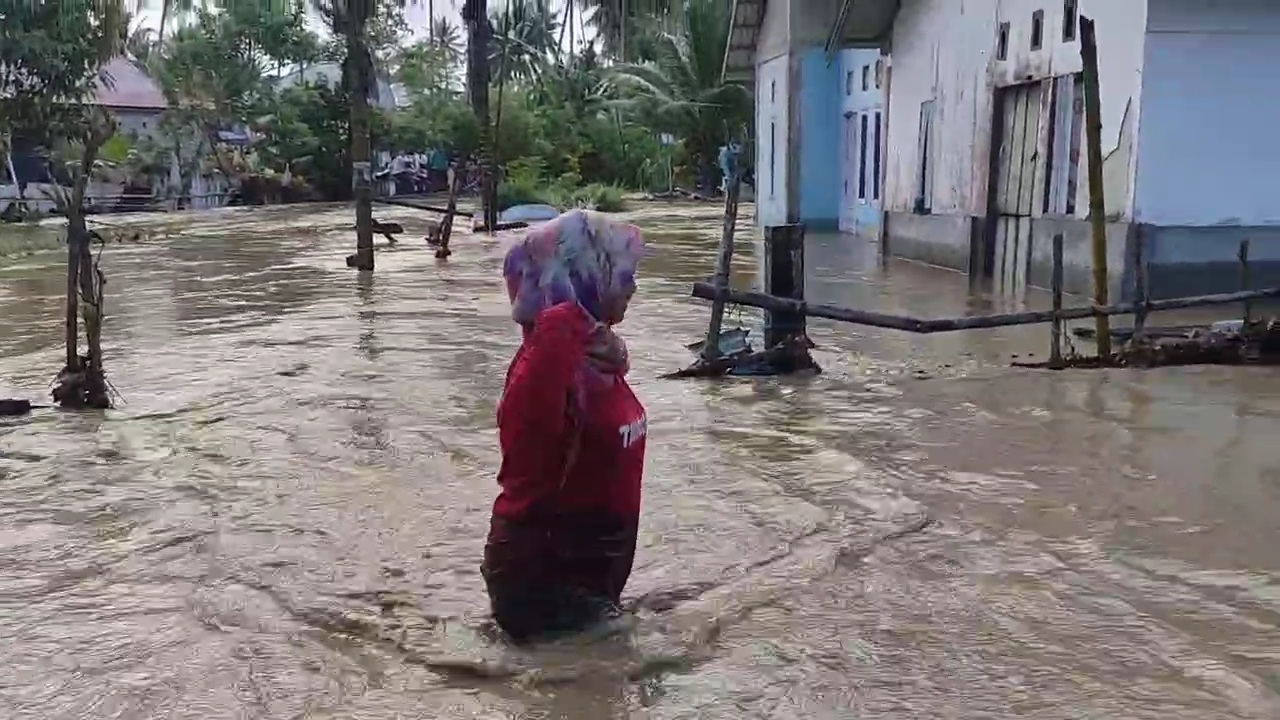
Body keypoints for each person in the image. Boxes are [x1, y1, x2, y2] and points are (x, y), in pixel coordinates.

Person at [482, 210, 648, 644]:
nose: (632, 284)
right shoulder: (549, 360)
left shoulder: (598, 353)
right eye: (622, 272)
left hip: (592, 572)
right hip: (548, 577)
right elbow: (524, 468)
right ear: (582, 276)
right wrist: (563, 312)